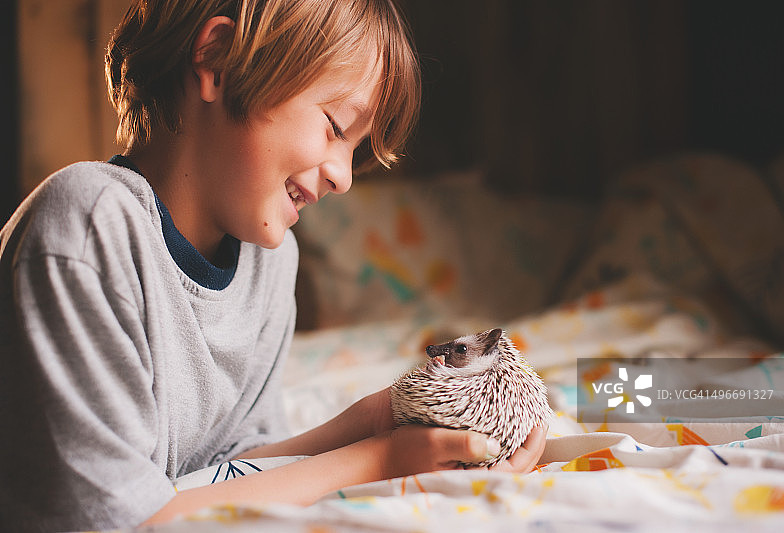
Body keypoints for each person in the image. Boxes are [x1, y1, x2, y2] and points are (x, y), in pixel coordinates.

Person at [0, 0, 547, 530]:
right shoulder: (89, 227)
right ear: (216, 58)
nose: (344, 177)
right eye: (336, 127)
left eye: (355, 150)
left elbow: (231, 472)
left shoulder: (272, 260)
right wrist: (379, 462)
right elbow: (118, 522)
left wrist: (376, 421)